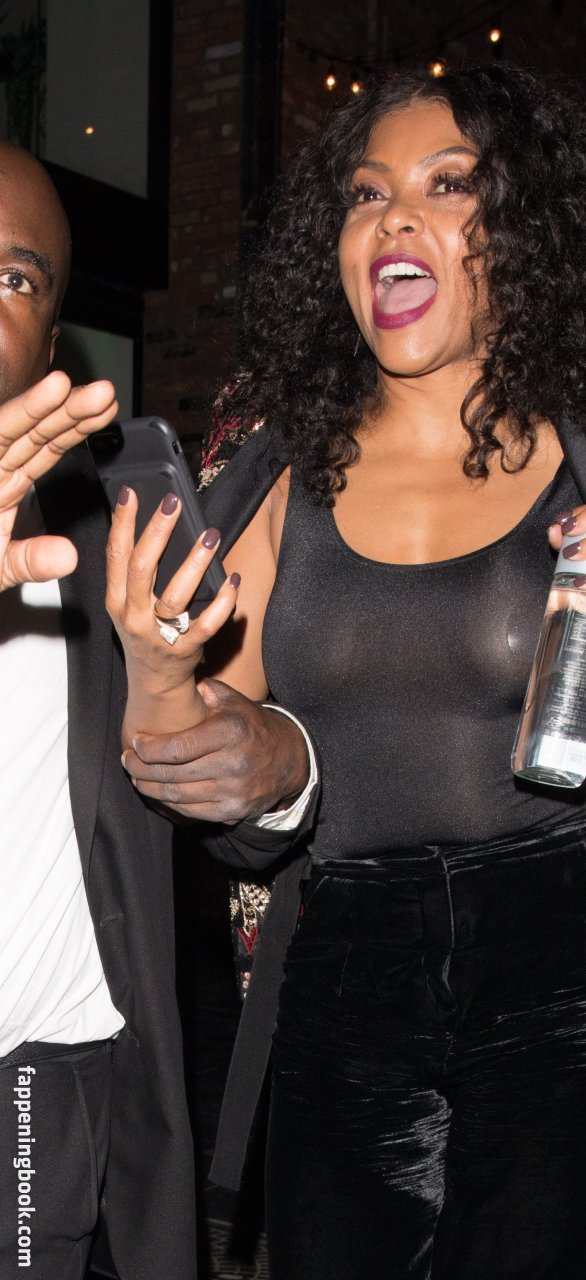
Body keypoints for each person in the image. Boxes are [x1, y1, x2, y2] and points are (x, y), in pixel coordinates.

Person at [109, 67, 586, 1279]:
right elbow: (229, 793)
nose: (394, 218)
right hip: (348, 962)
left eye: (448, 184)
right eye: (367, 194)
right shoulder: (268, 464)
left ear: (525, 231)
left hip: (585, 963)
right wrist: (159, 672)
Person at [0, 140, 310, 1280]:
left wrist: (280, 766)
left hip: (37, 1082)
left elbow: (222, 810)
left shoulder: (110, 535)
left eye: (12, 278)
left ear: (51, 340)